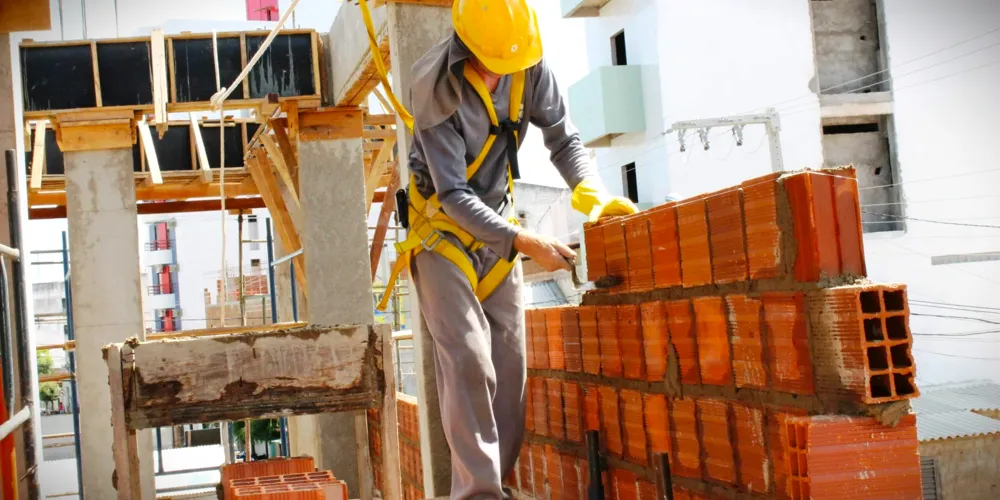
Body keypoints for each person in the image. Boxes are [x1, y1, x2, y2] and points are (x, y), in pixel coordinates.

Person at [377, 0, 638, 497]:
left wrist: (591, 194)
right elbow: (452, 194)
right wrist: (523, 241)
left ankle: (497, 482)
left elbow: (563, 138)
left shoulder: (528, 64)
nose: (504, 74)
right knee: (469, 359)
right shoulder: (435, 84)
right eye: (493, 65)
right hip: (443, 236)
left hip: (499, 232)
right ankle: (479, 494)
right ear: (469, 49)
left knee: (510, 373)